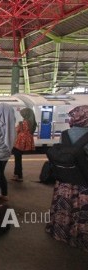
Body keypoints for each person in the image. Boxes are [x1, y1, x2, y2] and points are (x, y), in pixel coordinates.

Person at [46, 105, 88, 252]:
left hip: (64, 182)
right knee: (81, 211)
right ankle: (80, 238)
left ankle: (60, 232)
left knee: (64, 208)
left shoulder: (64, 134)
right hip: (83, 183)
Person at [11, 108, 36, 182]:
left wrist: (19, 125)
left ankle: (18, 175)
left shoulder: (24, 122)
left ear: (26, 114)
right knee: (18, 159)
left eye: (22, 114)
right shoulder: (32, 122)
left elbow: (17, 130)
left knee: (17, 159)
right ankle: (18, 175)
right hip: (25, 142)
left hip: (20, 142)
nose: (22, 115)